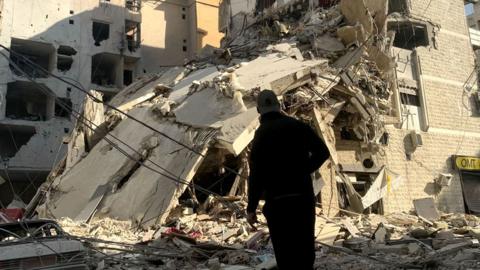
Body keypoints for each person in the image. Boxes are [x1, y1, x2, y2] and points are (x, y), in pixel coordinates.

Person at [246, 90, 330, 270]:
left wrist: (251, 208)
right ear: (279, 106)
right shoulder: (297, 126)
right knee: (305, 251)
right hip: (302, 200)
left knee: (285, 254)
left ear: (259, 110)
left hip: (278, 204)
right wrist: (302, 170)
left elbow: (255, 176)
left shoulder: (260, 135)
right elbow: (323, 152)